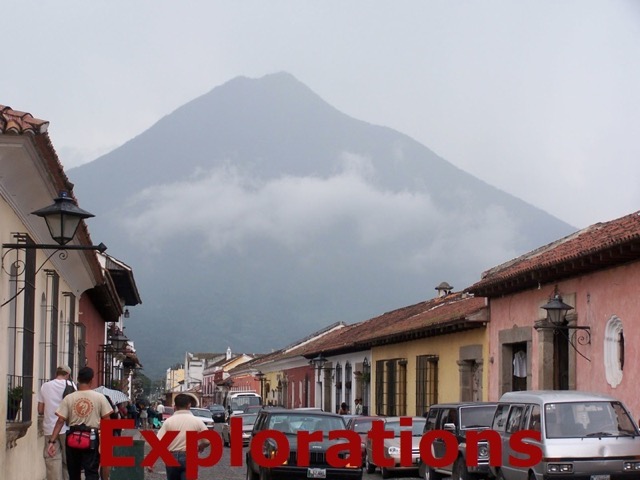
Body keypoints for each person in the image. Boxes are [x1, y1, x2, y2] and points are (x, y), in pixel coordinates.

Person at [47, 367, 114, 480]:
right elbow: (107, 421)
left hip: (73, 437)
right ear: (91, 380)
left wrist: (52, 441)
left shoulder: (69, 398)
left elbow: (60, 421)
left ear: (78, 379)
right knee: (91, 472)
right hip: (91, 438)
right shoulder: (100, 398)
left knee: (73, 473)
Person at [146, 393, 210, 480]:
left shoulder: (169, 421)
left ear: (175, 406)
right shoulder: (197, 421)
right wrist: (201, 446)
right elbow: (207, 441)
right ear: (189, 405)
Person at [38, 365, 76, 480]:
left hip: (49, 428)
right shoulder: (71, 385)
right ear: (68, 375)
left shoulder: (45, 386)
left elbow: (40, 410)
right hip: (66, 428)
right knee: (67, 461)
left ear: (56, 373)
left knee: (52, 460)